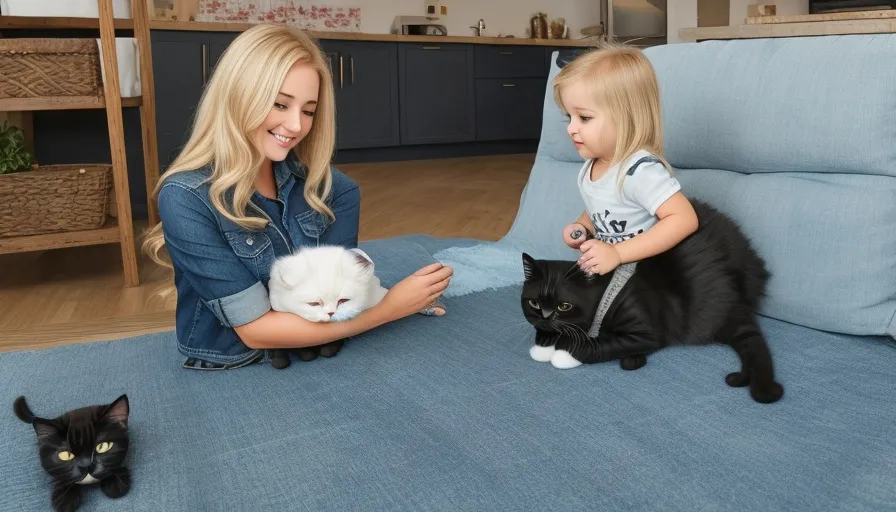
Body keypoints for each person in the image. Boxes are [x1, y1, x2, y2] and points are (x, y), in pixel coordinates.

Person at [141, 24, 453, 370]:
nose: (295, 125)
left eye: (308, 111)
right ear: (237, 97)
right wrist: (391, 308)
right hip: (234, 360)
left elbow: (340, 297)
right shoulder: (185, 198)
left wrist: (340, 319)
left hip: (323, 345)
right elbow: (256, 330)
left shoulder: (336, 190)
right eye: (280, 104)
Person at [553, 44, 698, 276]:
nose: (571, 128)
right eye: (569, 117)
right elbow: (600, 209)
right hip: (612, 268)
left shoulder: (639, 171)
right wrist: (583, 227)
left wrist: (618, 253)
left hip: (648, 271)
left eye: (584, 117)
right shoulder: (593, 165)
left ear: (626, 119)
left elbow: (684, 218)